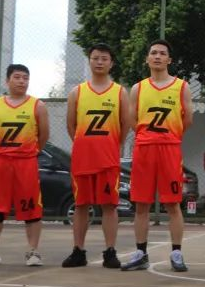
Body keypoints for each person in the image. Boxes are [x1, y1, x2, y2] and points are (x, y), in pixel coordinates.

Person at [121, 40, 193, 272]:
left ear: (169, 60)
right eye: (154, 53)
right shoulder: (138, 88)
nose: (158, 56)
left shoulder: (181, 87)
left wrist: (170, 135)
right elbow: (132, 119)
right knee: (141, 204)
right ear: (147, 59)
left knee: (173, 203)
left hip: (169, 148)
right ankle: (141, 253)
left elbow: (187, 119)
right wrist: (146, 135)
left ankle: (176, 252)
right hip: (144, 149)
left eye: (163, 53)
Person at [62, 44, 132, 269]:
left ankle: (110, 251)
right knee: (81, 204)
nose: (99, 62)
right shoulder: (77, 92)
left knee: (109, 205)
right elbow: (71, 125)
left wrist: (113, 145)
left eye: (104, 58)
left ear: (111, 63)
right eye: (95, 58)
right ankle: (78, 250)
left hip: (108, 160)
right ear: (89, 61)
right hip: (83, 159)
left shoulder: (119, 92)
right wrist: (84, 144)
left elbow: (125, 124)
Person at [0, 64, 50, 267]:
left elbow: (44, 136)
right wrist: (3, 152)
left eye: (25, 78)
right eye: (17, 77)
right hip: (0, 163)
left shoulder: (37, 106)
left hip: (26, 163)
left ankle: (33, 252)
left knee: (31, 208)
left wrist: (29, 152)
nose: (22, 81)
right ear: (7, 80)